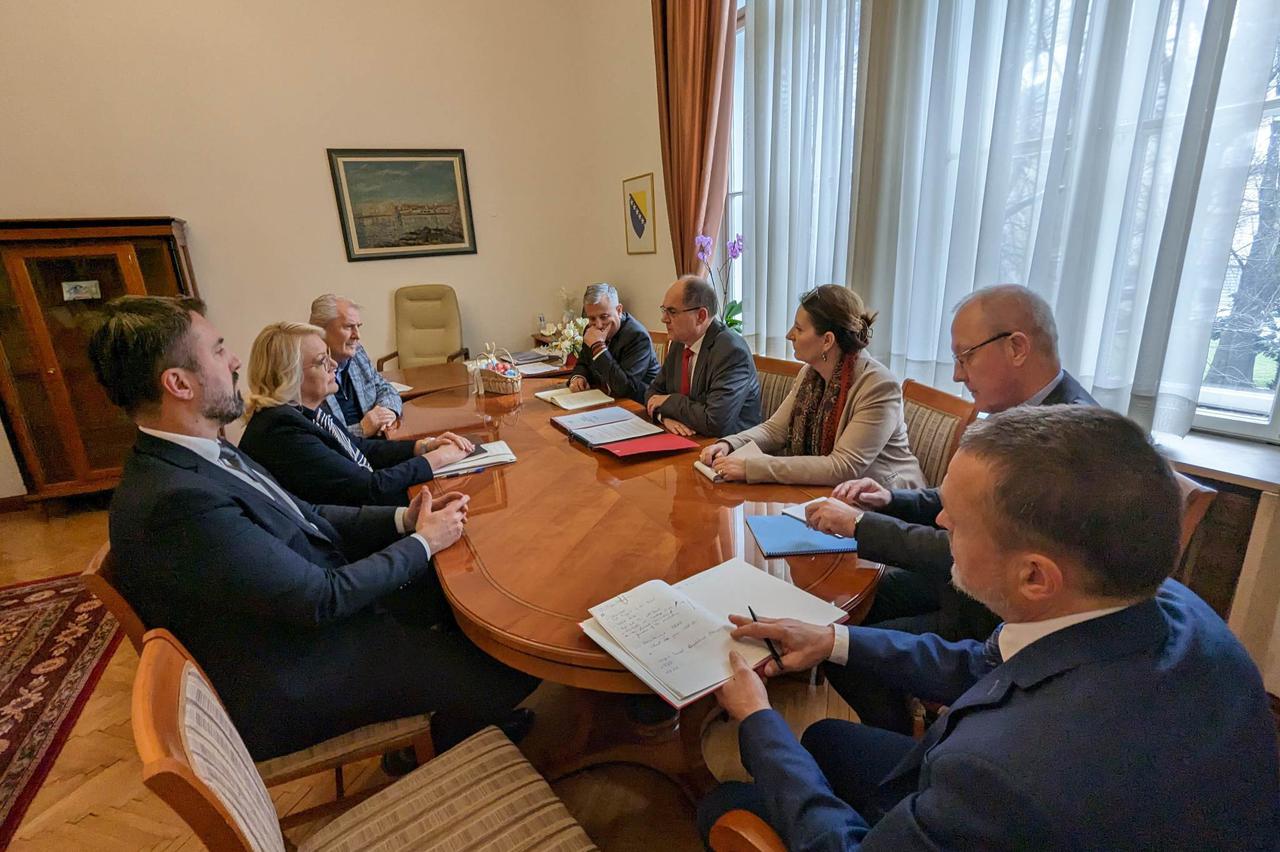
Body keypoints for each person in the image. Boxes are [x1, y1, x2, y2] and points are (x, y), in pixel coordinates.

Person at [699, 405, 1279, 850]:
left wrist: (757, 719)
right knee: (825, 740)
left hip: (1006, 806)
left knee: (724, 804)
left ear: (1034, 575)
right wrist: (831, 640)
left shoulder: (1000, 770)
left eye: (957, 520)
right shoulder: (1169, 604)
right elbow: (987, 664)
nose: (940, 519)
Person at [88, 296, 537, 761]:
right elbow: (321, 599)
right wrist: (424, 541)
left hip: (312, 619)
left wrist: (405, 520)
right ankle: (440, 746)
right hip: (301, 672)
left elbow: (309, 514)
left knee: (469, 600)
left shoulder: (198, 453)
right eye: (218, 350)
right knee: (516, 658)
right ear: (179, 383)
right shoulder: (176, 502)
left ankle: (465, 716)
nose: (235, 360)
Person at [807, 284, 1100, 730]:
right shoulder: (1025, 412)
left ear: (1017, 347)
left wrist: (860, 525)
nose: (958, 375)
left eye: (966, 357)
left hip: (991, 618)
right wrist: (890, 499)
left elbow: (972, 550)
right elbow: (958, 506)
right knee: (854, 601)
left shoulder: (1066, 444)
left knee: (845, 652)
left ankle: (910, 750)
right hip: (965, 587)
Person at [698, 286, 924, 487]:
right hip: (832, 494)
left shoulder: (878, 385)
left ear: (827, 341)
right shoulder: (810, 374)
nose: (789, 335)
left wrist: (753, 467)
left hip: (886, 503)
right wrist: (729, 444)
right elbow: (775, 430)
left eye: (799, 329)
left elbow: (843, 467)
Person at [239, 322, 474, 507]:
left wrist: (423, 446)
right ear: (289, 376)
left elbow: (359, 448)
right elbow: (369, 488)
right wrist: (436, 459)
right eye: (322, 361)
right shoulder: (283, 431)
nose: (333, 365)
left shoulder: (303, 411)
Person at [645, 275, 762, 437]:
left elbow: (714, 422)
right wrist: (664, 417)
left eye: (672, 312)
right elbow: (652, 393)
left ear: (700, 316)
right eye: (664, 310)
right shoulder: (680, 342)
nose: (664, 319)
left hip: (729, 445)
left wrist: (670, 401)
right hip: (690, 437)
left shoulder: (731, 351)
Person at [310, 293, 403, 438]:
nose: (357, 335)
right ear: (321, 331)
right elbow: (317, 438)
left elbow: (384, 387)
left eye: (358, 327)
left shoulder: (357, 353)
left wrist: (387, 410)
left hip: (379, 440)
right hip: (347, 450)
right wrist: (361, 429)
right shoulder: (308, 374)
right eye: (348, 327)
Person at [566, 283, 660, 403]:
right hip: (602, 399)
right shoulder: (590, 330)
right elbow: (583, 363)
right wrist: (579, 377)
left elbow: (625, 388)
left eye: (604, 317)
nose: (598, 325)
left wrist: (598, 347)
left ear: (619, 310)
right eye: (592, 318)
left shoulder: (637, 336)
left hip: (637, 404)